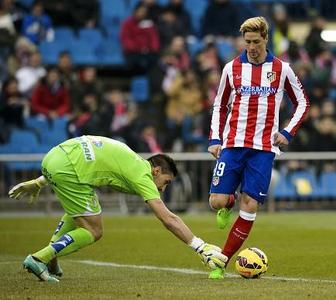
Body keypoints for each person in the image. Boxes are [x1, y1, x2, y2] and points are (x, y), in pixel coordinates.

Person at [9, 135, 227, 283]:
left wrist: (39, 182)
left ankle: (51, 259)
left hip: (55, 158)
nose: (162, 189)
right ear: (156, 170)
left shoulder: (128, 158)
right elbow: (167, 218)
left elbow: (86, 154)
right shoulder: (142, 173)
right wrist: (200, 246)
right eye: (166, 182)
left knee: (82, 211)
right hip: (68, 169)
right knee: (94, 230)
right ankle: (38, 259)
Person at [207, 16, 309, 279]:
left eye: (255, 41)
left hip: (263, 148)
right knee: (216, 201)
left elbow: (303, 102)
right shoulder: (231, 68)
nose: (251, 47)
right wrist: (215, 139)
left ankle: (222, 261)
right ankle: (227, 203)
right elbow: (220, 105)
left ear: (265, 39)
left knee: (250, 205)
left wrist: (287, 132)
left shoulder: (281, 68)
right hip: (232, 144)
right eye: (247, 41)